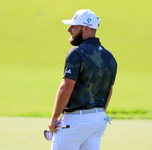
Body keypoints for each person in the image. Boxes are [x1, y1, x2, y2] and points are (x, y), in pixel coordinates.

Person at [48, 9, 117, 150]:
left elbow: (65, 88)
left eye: (73, 26)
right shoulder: (110, 56)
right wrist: (98, 115)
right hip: (99, 120)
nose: (69, 30)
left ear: (85, 28)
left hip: (76, 121)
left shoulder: (76, 52)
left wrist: (54, 117)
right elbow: (109, 91)